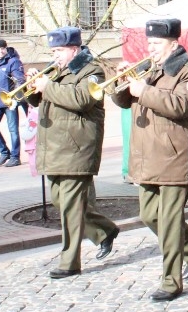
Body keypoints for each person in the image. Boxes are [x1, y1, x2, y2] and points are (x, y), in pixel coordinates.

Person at [111, 19, 188, 301]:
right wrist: (122, 83)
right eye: (150, 43)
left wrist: (144, 90)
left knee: (168, 222)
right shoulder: (150, 69)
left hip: (175, 156)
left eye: (156, 44)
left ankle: (171, 281)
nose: (151, 48)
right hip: (148, 157)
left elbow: (180, 106)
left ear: (174, 44)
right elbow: (124, 102)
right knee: (149, 215)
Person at [28, 27, 120, 278]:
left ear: (74, 49)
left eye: (59, 50)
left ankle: (69, 262)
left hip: (77, 147)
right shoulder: (57, 72)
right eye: (53, 51)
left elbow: (81, 99)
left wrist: (47, 86)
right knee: (61, 200)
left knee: (69, 207)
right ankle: (104, 230)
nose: (55, 55)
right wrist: (35, 87)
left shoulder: (92, 71)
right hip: (56, 148)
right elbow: (42, 100)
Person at [0, 38, 25, 167]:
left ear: (6, 48)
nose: (1, 51)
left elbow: (20, 80)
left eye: (2, 48)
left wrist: (14, 97)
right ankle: (4, 152)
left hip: (9, 101)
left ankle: (15, 157)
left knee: (13, 130)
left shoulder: (13, 62)